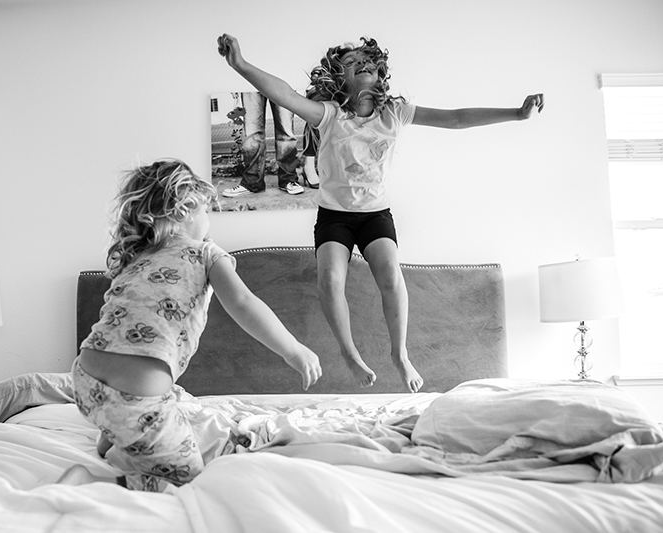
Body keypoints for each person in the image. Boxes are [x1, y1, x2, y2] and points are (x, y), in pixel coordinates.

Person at [217, 33, 543, 393]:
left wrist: (517, 113)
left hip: (375, 215)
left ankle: (399, 355)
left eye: (367, 61)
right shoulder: (329, 115)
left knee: (390, 274)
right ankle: (349, 352)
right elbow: (287, 97)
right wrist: (240, 64)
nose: (363, 65)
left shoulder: (395, 112)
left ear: (380, 72)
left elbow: (457, 118)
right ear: (340, 78)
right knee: (330, 279)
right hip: (334, 216)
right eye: (353, 63)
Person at [61, 159, 322, 492]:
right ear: (185, 209)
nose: (209, 221)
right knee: (188, 480)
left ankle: (114, 434)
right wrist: (293, 350)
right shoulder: (206, 254)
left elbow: (120, 322)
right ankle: (93, 479)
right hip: (138, 395)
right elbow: (243, 303)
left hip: (86, 380)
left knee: (135, 396)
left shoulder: (135, 258)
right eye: (206, 211)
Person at [222, 91, 305, 197]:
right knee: (252, 134)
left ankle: (288, 179)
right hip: (251, 80)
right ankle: (252, 183)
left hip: (281, 77)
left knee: (286, 132)